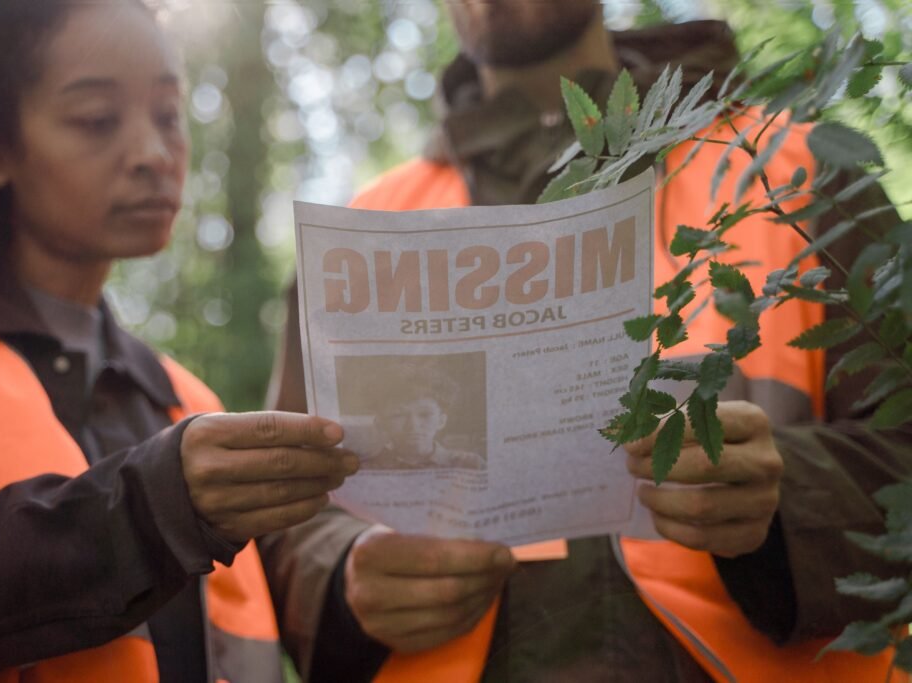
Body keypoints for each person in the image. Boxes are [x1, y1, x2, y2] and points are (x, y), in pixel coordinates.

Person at [262, 2, 912, 681]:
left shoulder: (799, 172)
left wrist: (789, 500)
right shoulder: (358, 234)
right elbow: (282, 515)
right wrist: (343, 578)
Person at [0, 1, 358, 680]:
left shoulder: (186, 401)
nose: (153, 155)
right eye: (96, 120)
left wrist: (358, 591)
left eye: (168, 114)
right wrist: (146, 512)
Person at [362, 365, 484, 471]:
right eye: (398, 415)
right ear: (380, 423)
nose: (413, 426)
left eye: (425, 415)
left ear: (441, 421)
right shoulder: (364, 469)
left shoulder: (470, 464)